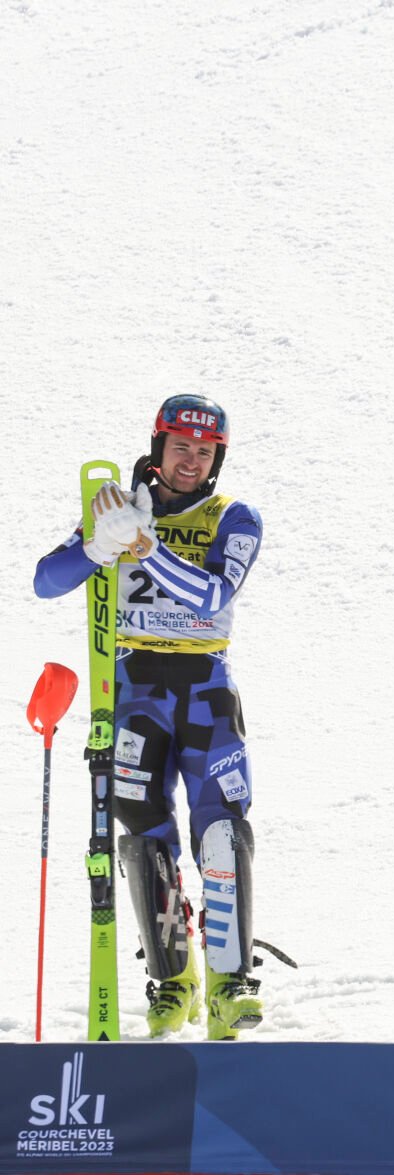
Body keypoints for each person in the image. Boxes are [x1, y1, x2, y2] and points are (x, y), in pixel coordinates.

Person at [34, 394, 266, 1040]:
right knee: (141, 833)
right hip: (138, 692)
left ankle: (228, 982)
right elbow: (45, 580)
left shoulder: (234, 517)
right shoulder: (118, 510)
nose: (191, 461)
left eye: (204, 452)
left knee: (221, 831)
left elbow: (212, 597)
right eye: (180, 447)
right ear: (158, 446)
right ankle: (173, 977)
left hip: (205, 691)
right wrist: (98, 546)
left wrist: (143, 547)